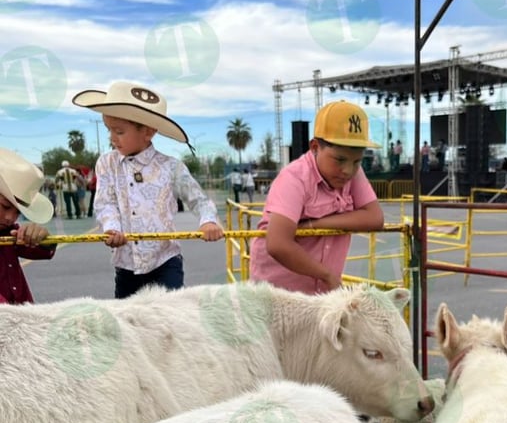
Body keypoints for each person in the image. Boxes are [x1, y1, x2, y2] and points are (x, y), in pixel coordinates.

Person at [72, 80, 224, 299]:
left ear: (148, 132)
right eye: (109, 130)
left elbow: (198, 200)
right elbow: (105, 202)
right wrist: (112, 228)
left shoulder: (171, 167)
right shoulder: (106, 163)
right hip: (126, 265)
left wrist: (208, 220)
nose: (112, 138)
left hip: (164, 262)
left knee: (167, 320)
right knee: (129, 323)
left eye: (119, 131)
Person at [249, 100, 384, 294]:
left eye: (356, 161)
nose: (347, 170)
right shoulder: (294, 178)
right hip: (279, 296)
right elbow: (278, 244)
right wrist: (326, 275)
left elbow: (375, 218)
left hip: (321, 294)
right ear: (315, 146)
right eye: (339, 160)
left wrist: (316, 224)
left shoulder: (353, 173)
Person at [0, 149, 57, 304]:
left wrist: (42, 237)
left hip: (20, 319)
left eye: (18, 212)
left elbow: (42, 251)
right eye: (5, 206)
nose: (10, 218)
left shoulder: (9, 232)